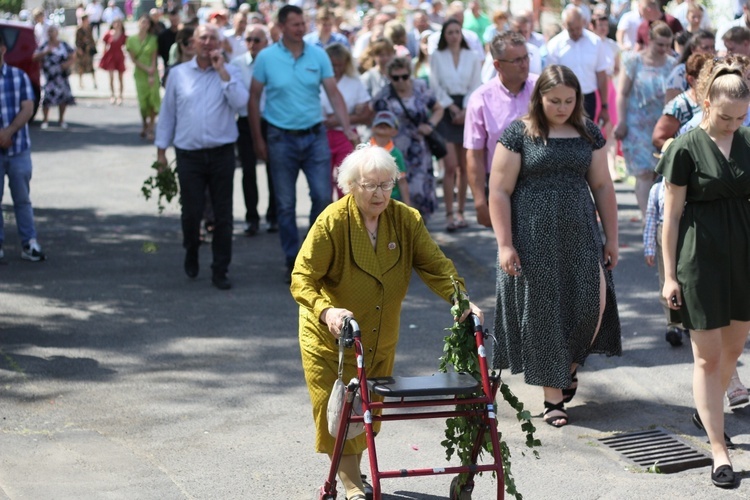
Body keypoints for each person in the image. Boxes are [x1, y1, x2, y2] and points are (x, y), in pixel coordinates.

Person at [290, 144, 482, 500]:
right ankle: (350, 484)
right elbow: (302, 277)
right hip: (330, 336)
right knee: (340, 408)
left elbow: (435, 265)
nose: (379, 193)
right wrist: (327, 311)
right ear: (351, 185)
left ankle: (355, 474)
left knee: (367, 409)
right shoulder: (333, 221)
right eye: (370, 185)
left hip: (379, 332)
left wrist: (460, 299)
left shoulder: (406, 219)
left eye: (386, 184)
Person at [489, 65, 621, 428]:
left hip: (581, 232)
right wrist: (504, 245)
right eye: (554, 100)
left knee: (591, 306)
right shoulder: (519, 133)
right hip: (533, 236)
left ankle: (568, 367)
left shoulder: (587, 131)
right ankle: (552, 397)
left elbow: (604, 187)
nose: (562, 107)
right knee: (544, 313)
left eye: (569, 100)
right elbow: (499, 190)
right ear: (539, 98)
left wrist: (612, 237)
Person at [656, 60, 750, 489]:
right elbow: (670, 218)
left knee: (732, 353)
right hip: (699, 260)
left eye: (741, 117)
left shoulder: (748, 141)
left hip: (743, 258)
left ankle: (706, 405)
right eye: (725, 116)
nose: (732, 124)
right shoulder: (685, 147)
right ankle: (718, 451)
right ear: (707, 103)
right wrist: (669, 276)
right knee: (708, 358)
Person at [249, 4, 357, 281]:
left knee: (322, 197)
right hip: (280, 137)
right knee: (285, 204)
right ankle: (291, 260)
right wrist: (258, 139)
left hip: (314, 136)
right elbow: (253, 99)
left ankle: (313, 257)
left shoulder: (318, 55)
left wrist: (347, 128)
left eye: (302, 23)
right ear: (282, 26)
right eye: (295, 24)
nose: (301, 28)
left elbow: (333, 93)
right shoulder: (266, 58)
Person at [155, 23, 249, 291]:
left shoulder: (230, 72)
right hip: (189, 155)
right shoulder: (178, 74)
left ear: (219, 43)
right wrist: (161, 152)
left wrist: (221, 72)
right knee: (191, 212)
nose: (208, 43)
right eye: (203, 38)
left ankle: (220, 269)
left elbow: (241, 104)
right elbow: (168, 114)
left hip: (221, 154)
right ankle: (192, 249)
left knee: (223, 215)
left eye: (213, 38)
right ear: (193, 43)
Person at [465, 31, 537, 228]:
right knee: (508, 248)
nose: (524, 64)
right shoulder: (480, 99)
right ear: (497, 65)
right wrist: (480, 201)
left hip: (541, 179)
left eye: (526, 57)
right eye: (516, 60)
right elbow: (475, 155)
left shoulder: (542, 90)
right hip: (502, 184)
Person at [614, 21, 676, 218]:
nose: (664, 49)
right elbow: (622, 93)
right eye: (660, 44)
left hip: (662, 127)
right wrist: (621, 121)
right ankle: (647, 219)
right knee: (644, 174)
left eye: (668, 45)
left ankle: (659, 218)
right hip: (636, 126)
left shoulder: (672, 64)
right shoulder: (634, 61)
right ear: (650, 40)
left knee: (660, 173)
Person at [372, 57, 444, 220]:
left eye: (404, 76)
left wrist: (430, 125)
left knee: (419, 191)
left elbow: (438, 108)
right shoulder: (385, 94)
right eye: (396, 78)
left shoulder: (421, 89)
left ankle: (420, 230)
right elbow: (372, 114)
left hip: (418, 149)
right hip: (394, 150)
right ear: (390, 77)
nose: (401, 81)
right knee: (397, 192)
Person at [429, 18, 482, 231]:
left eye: (457, 32)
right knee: (450, 165)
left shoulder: (472, 56)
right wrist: (451, 107)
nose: (453, 36)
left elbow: (476, 84)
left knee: (464, 166)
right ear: (444, 35)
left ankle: (461, 212)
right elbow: (435, 85)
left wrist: (465, 109)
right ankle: (449, 214)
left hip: (466, 108)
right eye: (449, 32)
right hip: (445, 109)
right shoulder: (437, 56)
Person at [0, 33, 47, 263]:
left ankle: (29, 243)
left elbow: (28, 108)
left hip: (18, 148)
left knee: (22, 199)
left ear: (2, 49)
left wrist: (8, 132)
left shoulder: (18, 76)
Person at [230, 25, 276, 236]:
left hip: (272, 120)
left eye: (257, 40)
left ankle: (273, 216)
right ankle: (252, 218)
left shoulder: (274, 62)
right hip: (246, 122)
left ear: (266, 42)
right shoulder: (237, 64)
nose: (252, 44)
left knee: (274, 170)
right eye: (248, 39)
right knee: (248, 171)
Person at [322, 43, 371, 200]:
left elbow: (366, 113)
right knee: (323, 183)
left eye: (339, 65)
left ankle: (348, 216)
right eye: (332, 65)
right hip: (323, 135)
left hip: (346, 135)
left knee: (347, 180)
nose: (335, 69)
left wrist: (339, 120)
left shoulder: (354, 81)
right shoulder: (319, 81)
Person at [545, 6, 610, 122]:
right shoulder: (554, 45)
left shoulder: (595, 42)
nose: (575, 32)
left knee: (587, 136)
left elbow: (601, 75)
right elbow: (551, 78)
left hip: (588, 98)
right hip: (563, 100)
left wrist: (604, 106)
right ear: (564, 25)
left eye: (578, 28)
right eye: (571, 29)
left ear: (584, 23)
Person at [653, 53, 708, 150]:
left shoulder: (715, 102)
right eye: (707, 78)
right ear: (691, 79)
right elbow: (658, 139)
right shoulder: (679, 105)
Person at [33, 25, 76, 130]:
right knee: (46, 99)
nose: (51, 33)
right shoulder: (44, 45)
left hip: (61, 76)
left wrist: (67, 64)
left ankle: (61, 120)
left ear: (57, 33)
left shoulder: (63, 45)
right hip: (49, 77)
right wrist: (45, 52)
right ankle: (45, 120)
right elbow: (34, 57)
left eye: (53, 31)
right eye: (49, 31)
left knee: (63, 99)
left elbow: (73, 55)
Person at [127, 14, 160, 141]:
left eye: (147, 23)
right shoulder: (131, 40)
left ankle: (151, 127)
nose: (144, 25)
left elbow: (154, 57)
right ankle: (144, 124)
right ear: (138, 23)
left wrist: (151, 72)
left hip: (152, 73)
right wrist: (146, 69)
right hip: (140, 74)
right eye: (142, 22)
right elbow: (133, 59)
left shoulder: (153, 39)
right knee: (142, 103)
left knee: (153, 100)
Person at [369, 110, 409, 204]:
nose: (383, 126)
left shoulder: (396, 154)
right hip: (369, 197)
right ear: (372, 128)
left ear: (394, 131)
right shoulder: (364, 149)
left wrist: (408, 207)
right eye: (379, 124)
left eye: (387, 125)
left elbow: (402, 181)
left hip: (392, 198)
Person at [664, 30, 715, 103]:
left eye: (712, 47)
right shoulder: (680, 72)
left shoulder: (716, 69)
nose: (711, 51)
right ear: (693, 49)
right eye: (705, 48)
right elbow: (670, 104)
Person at [99, 18, 127, 105]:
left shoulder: (124, 35)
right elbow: (104, 46)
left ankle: (120, 96)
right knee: (111, 78)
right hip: (110, 57)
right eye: (116, 23)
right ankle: (112, 95)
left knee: (120, 78)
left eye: (119, 23)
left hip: (119, 57)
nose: (118, 25)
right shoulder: (108, 34)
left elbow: (127, 47)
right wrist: (103, 57)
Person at [75, 14, 97, 89]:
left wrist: (93, 45)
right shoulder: (79, 29)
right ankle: (80, 82)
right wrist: (79, 49)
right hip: (82, 50)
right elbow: (77, 41)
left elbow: (91, 38)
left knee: (91, 66)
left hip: (88, 50)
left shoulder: (89, 28)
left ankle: (94, 82)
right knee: (81, 67)